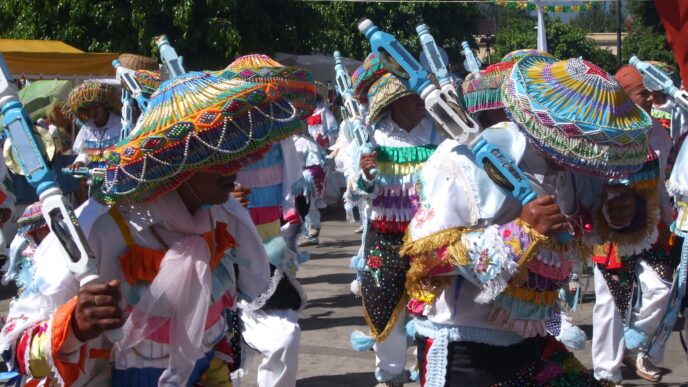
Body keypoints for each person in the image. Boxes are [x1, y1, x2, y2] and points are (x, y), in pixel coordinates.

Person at [0, 65, 315, 386]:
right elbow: (14, 346)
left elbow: (248, 299)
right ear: (183, 160)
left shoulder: (226, 214)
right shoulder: (99, 227)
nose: (237, 165)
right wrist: (74, 326)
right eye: (220, 152)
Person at [401, 55, 653, 386]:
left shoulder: (573, 170)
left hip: (533, 338)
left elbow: (589, 228)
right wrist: (520, 233)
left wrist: (622, 216)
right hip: (465, 345)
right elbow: (421, 258)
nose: (590, 160)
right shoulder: (464, 161)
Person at [218, 54, 314, 387]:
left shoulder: (281, 135)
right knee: (213, 351)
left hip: (267, 250)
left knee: (284, 334)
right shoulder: (217, 134)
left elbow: (293, 192)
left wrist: (289, 228)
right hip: (216, 251)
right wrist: (224, 201)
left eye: (269, 92)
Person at [350, 57, 444, 386]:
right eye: (414, 95)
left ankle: (427, 374)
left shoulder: (437, 132)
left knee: (430, 309)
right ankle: (390, 376)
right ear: (395, 100)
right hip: (384, 237)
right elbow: (357, 191)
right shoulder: (371, 135)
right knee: (385, 305)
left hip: (428, 238)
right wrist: (366, 175)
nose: (422, 101)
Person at [590, 64, 675, 384]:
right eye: (643, 93)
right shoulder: (602, 130)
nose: (651, 98)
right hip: (611, 228)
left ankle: (634, 345)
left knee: (662, 286)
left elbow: (661, 185)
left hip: (651, 225)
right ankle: (606, 373)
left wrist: (670, 218)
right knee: (611, 300)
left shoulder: (659, 131)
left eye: (652, 93)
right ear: (624, 96)